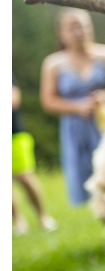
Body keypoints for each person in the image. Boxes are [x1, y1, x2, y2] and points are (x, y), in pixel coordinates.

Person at [37, 8, 105, 208]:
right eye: (72, 27)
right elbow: (48, 100)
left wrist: (104, 96)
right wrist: (77, 107)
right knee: (88, 175)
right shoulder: (53, 63)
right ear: (61, 33)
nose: (79, 32)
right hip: (76, 129)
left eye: (82, 26)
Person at [13, 85, 54, 233]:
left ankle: (43, 217)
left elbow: (13, 100)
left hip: (14, 134)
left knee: (25, 177)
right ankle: (18, 222)